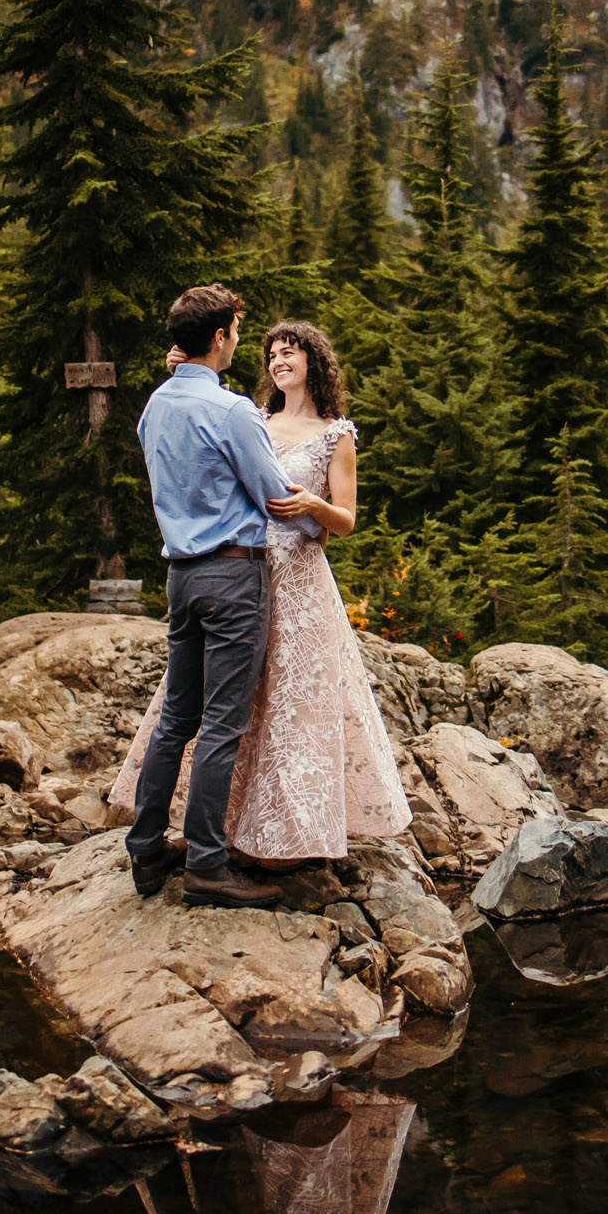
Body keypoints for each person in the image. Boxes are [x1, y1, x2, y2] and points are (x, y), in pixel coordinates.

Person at [113, 319, 412, 867]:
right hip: (240, 567)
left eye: (290, 352)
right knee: (232, 707)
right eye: (272, 354)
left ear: (313, 362)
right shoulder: (252, 417)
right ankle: (219, 829)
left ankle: (287, 830)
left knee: (292, 703)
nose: (279, 361)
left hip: (296, 576)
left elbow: (345, 520)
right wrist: (186, 369)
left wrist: (315, 510)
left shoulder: (336, 433)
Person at [122, 284, 312, 910]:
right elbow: (275, 495)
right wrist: (320, 521)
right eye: (235, 328)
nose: (238, 338)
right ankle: (206, 864)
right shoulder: (232, 411)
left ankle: (147, 848)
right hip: (234, 576)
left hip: (181, 575)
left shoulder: (156, 406)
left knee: (177, 717)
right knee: (222, 725)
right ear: (222, 337)